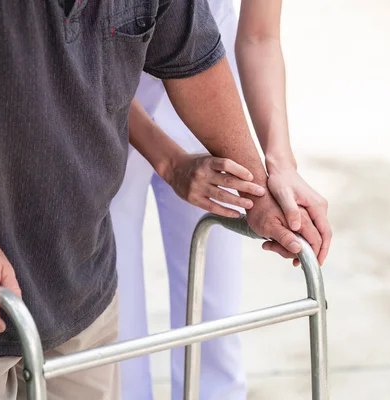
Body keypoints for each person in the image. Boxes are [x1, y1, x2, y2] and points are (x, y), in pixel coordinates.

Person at [0, 0, 307, 398]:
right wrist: (167, 159)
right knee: (123, 335)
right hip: (108, 107)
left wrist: (272, 178)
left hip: (196, 95)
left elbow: (248, 38)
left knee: (217, 321)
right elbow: (70, 65)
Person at [112, 1, 332, 399]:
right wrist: (168, 161)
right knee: (114, 331)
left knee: (216, 324)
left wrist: (279, 162)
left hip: (210, 91)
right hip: (108, 95)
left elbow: (260, 34)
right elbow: (75, 50)